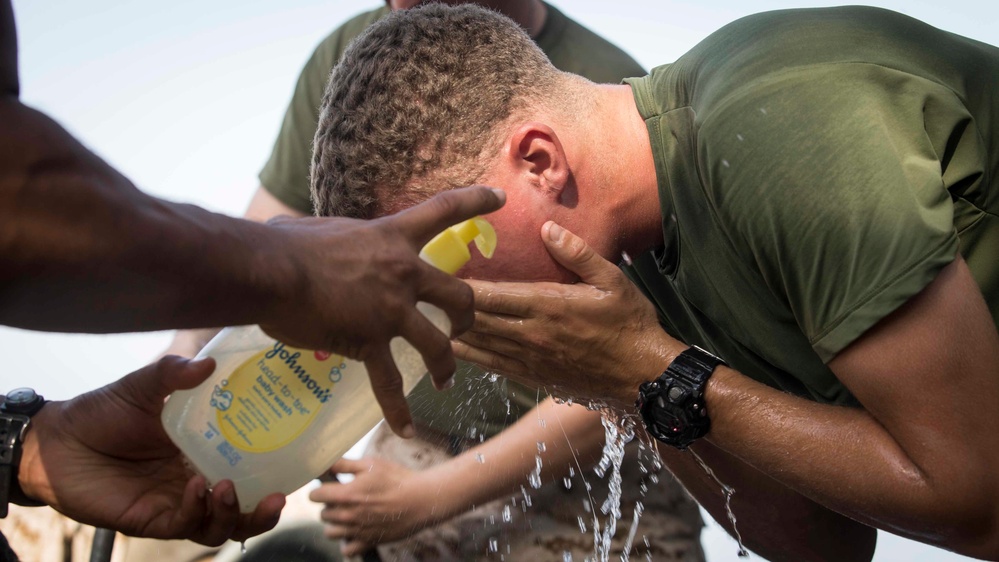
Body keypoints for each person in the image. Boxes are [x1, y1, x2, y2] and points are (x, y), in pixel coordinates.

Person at [309, 4, 999, 560]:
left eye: (448, 256)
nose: (450, 303)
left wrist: (653, 368)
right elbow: (820, 545)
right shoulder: (640, 260)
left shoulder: (774, 131)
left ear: (540, 159)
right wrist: (629, 385)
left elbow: (980, 509)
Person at [159, 2, 707, 562]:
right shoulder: (354, 56)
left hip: (598, 457)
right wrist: (182, 367)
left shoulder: (603, 88)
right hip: (415, 441)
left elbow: (632, 364)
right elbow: (260, 251)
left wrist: (432, 498)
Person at [0, 0, 504, 557]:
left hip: (481, 454)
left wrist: (26, 444)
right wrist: (281, 271)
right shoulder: (354, 50)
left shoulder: (579, 81)